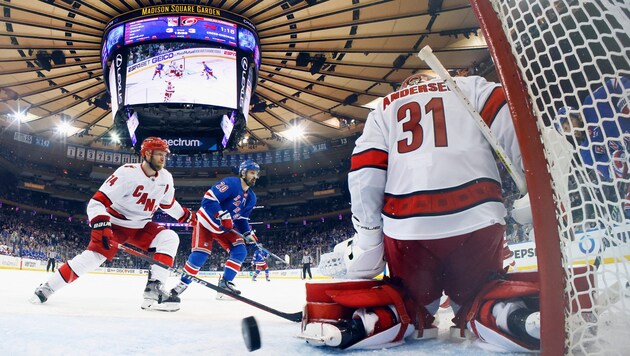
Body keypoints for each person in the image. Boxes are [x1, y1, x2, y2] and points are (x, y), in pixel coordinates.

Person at [304, 74, 540, 352]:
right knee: (479, 296)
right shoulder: (469, 86)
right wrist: (536, 181)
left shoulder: (384, 107)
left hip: (407, 225)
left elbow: (364, 172)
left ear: (405, 85)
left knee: (411, 309)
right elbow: (516, 121)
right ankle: (513, 317)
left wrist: (369, 233)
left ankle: (365, 324)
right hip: (476, 214)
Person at [30, 137, 195, 312]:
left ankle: (154, 292)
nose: (163, 158)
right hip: (115, 225)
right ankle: (47, 288)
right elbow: (96, 203)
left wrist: (189, 217)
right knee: (92, 259)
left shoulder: (166, 178)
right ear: (147, 154)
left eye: (165, 155)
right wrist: (102, 225)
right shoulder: (127, 173)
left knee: (169, 237)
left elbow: (168, 204)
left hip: (142, 227)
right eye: (159, 154)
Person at [169, 160, 260, 300]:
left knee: (240, 250)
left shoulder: (251, 198)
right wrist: (222, 215)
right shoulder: (231, 183)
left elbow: (241, 219)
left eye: (256, 174)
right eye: (252, 172)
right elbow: (208, 199)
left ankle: (224, 285)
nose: (255, 176)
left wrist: (248, 233)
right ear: (243, 172)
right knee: (200, 256)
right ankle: (180, 285)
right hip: (205, 223)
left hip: (224, 228)